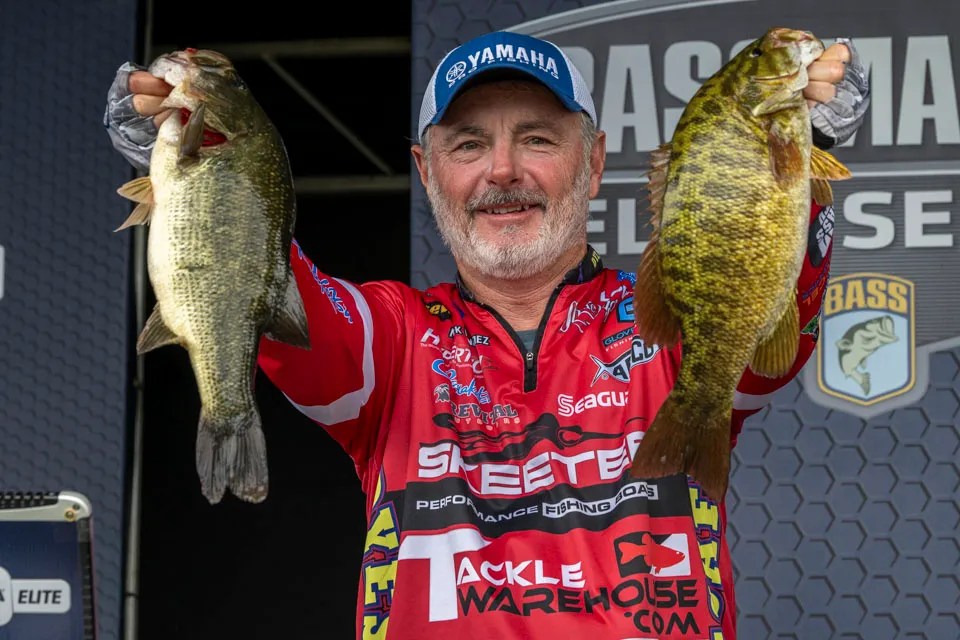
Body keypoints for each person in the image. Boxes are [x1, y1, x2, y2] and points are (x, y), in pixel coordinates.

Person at [104, 28, 869, 640]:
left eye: (537, 139)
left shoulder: (677, 315)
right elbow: (256, 273)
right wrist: (195, 159)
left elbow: (774, 325)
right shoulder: (392, 338)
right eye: (468, 144)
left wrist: (803, 163)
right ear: (426, 169)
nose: (502, 170)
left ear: (593, 162)